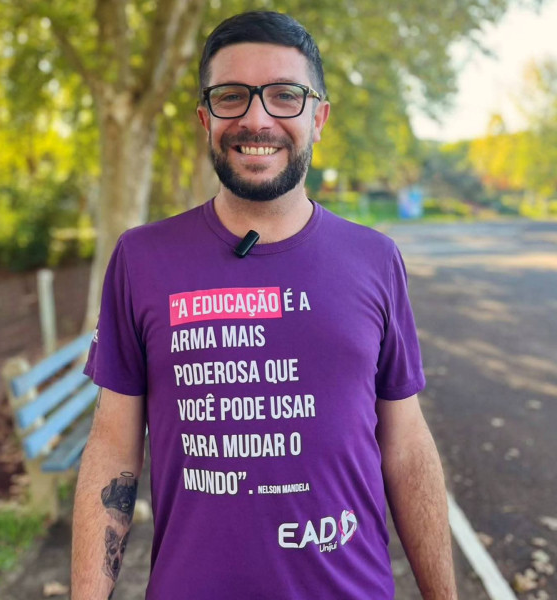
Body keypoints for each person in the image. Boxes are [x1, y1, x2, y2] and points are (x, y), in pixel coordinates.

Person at [72, 10, 458, 600]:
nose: (256, 118)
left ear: (318, 118)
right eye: (231, 96)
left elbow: (405, 445)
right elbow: (112, 448)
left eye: (285, 95)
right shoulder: (140, 259)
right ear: (205, 118)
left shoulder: (376, 259)